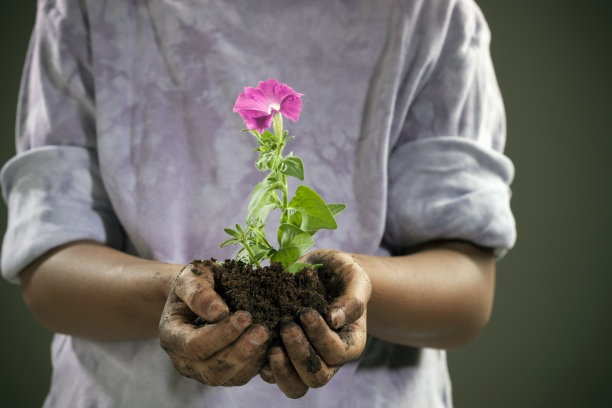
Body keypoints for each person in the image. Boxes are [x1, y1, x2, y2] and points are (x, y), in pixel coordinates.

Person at [1, 0, 516, 406]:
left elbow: (467, 295)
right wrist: (174, 294)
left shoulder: (429, 11)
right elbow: (47, 270)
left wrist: (348, 288)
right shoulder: (88, 7)